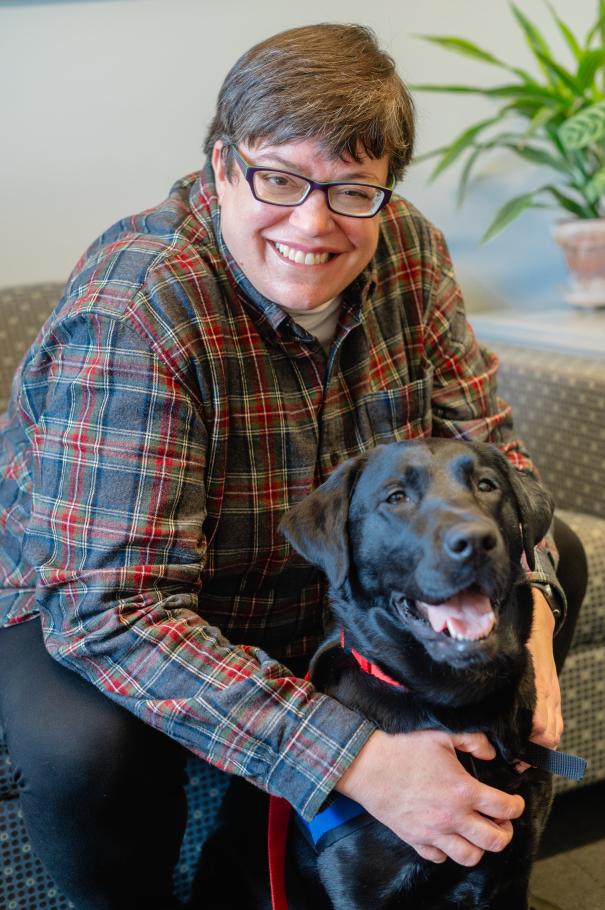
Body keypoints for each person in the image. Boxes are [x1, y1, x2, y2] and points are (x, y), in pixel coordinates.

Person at [0, 22, 587, 910]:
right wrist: (352, 759)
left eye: (353, 189)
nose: (313, 223)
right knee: (84, 748)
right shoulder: (136, 309)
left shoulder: (408, 251)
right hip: (120, 599)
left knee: (557, 556)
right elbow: (111, 609)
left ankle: (466, 854)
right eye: (279, 179)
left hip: (319, 572)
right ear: (221, 165)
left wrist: (533, 613)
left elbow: (495, 456)